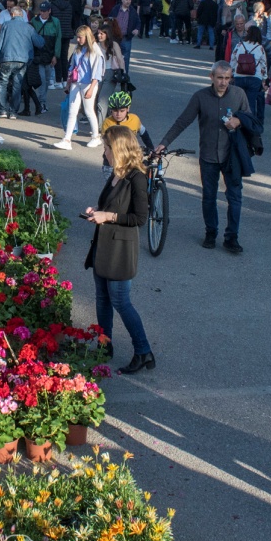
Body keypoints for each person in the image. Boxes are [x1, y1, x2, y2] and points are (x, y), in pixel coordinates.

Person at [155, 61, 262, 254]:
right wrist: (165, 142)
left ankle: (232, 238)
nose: (223, 82)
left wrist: (238, 120)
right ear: (211, 77)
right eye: (219, 78)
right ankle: (211, 232)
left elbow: (251, 119)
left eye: (227, 78)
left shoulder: (239, 95)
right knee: (209, 197)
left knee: (235, 197)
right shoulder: (200, 97)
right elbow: (182, 121)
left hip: (232, 156)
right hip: (208, 156)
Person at [84, 126, 154, 375]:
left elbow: (139, 218)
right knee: (102, 299)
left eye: (107, 148)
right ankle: (105, 346)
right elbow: (109, 205)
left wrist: (109, 216)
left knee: (121, 302)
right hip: (103, 246)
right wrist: (97, 211)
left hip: (120, 251)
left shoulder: (136, 177)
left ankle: (143, 351)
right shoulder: (115, 173)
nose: (104, 153)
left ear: (119, 149)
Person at [54, 26, 105, 150]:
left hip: (88, 84)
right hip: (76, 83)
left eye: (80, 37)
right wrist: (68, 83)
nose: (77, 40)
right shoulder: (78, 48)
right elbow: (72, 66)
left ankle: (96, 137)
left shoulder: (95, 51)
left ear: (86, 37)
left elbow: (97, 73)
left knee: (88, 111)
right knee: (72, 111)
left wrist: (92, 88)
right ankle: (67, 139)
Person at [0, 9, 36, 120]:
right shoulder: (28, 27)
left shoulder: (6, 25)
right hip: (22, 60)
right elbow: (38, 42)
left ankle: (2, 110)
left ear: (12, 14)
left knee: (3, 83)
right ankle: (13, 112)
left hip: (6, 58)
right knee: (17, 85)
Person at [227, 26, 270, 128]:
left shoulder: (239, 45)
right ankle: (251, 125)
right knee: (251, 103)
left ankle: (238, 122)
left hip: (239, 76)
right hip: (254, 78)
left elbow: (233, 60)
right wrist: (264, 79)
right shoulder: (260, 48)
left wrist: (231, 74)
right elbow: (263, 64)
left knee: (238, 101)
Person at [95, 22, 126, 126]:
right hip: (97, 75)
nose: (99, 35)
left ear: (107, 34)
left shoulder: (113, 45)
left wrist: (123, 73)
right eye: (98, 33)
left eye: (102, 34)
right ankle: (108, 122)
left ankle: (100, 129)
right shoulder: (96, 45)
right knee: (96, 100)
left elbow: (120, 59)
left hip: (110, 74)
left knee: (102, 101)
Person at [31, 0, 62, 95]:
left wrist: (55, 55)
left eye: (44, 11)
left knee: (48, 80)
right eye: (41, 10)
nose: (42, 13)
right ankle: (42, 101)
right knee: (42, 79)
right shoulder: (34, 21)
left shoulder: (55, 22)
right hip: (38, 55)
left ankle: (42, 101)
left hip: (49, 54)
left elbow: (58, 39)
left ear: (49, 11)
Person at [112, 0, 142, 75]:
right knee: (114, 57)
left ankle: (124, 77)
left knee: (126, 58)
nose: (128, 1)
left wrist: (136, 29)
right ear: (122, 0)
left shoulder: (132, 11)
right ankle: (114, 75)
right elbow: (110, 19)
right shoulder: (116, 9)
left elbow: (138, 22)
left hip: (126, 38)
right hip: (115, 37)